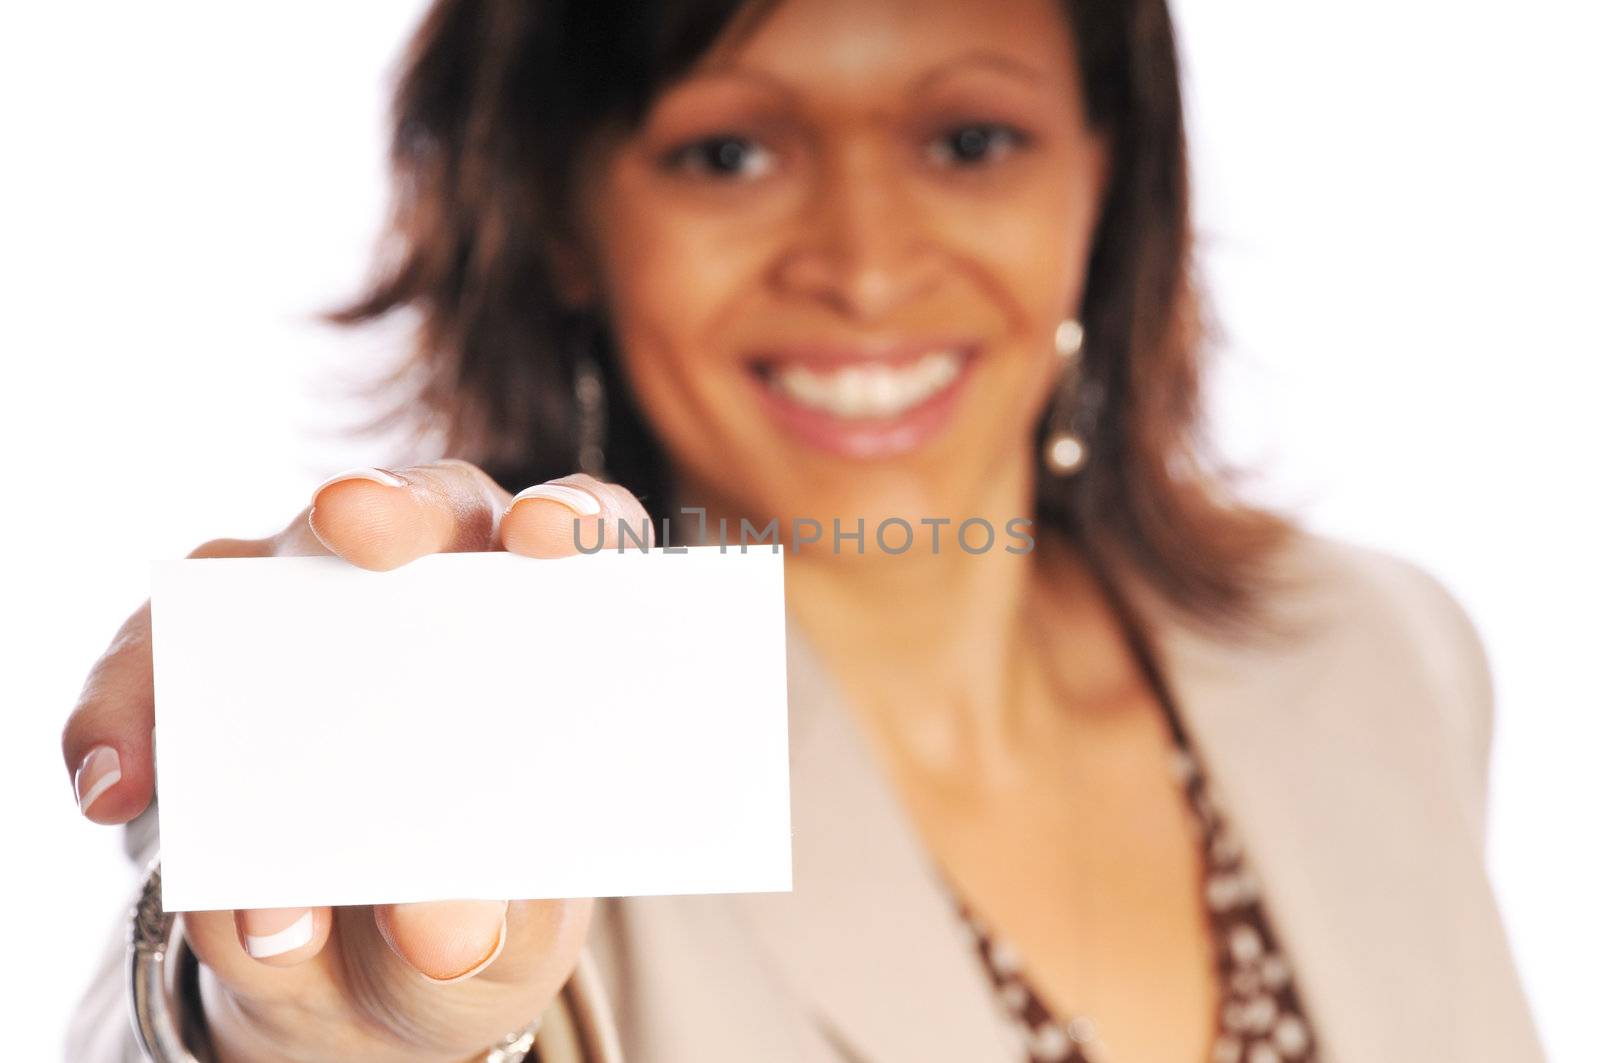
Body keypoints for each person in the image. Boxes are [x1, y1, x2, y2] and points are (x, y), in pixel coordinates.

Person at [62, 0, 1542, 1060]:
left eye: (969, 137)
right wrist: (271, 1018)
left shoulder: (1382, 651)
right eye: (728, 154)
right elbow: (240, 1023)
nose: (866, 264)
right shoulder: (497, 758)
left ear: (1108, 174)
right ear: (566, 221)